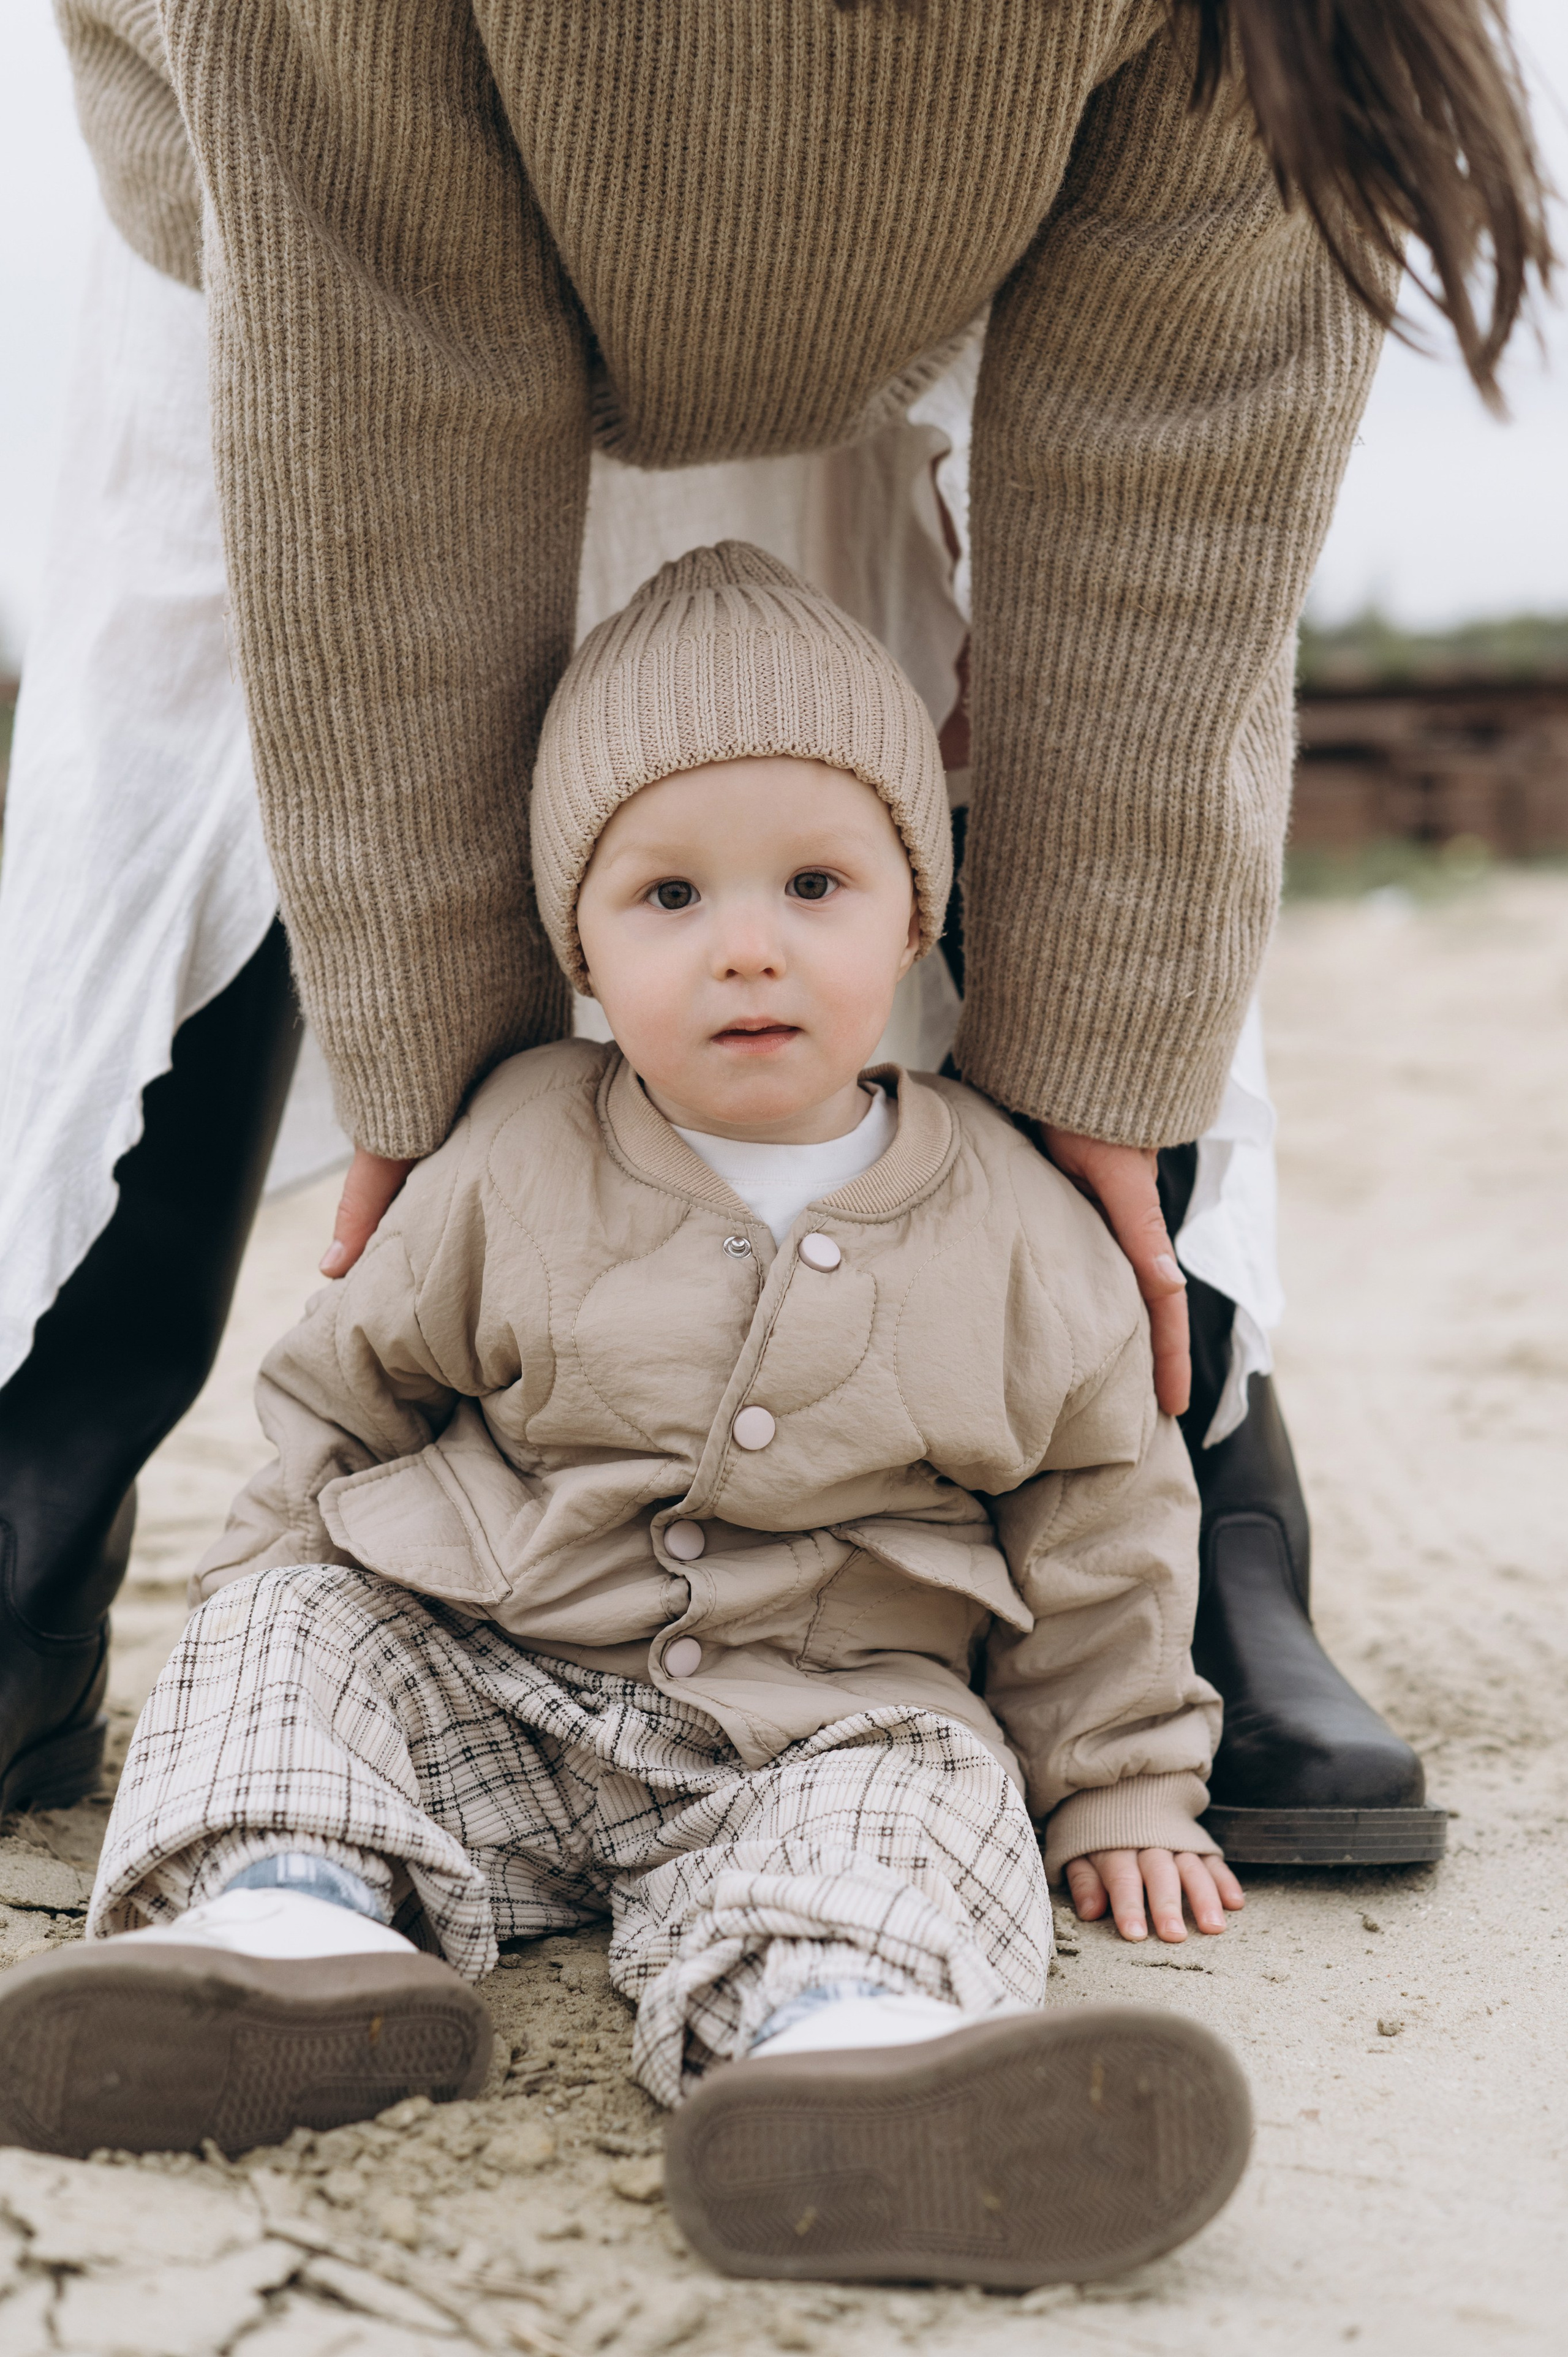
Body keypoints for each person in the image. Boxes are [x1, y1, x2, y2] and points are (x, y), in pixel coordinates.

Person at [2, 0, 1547, 1858]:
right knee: (213, 696)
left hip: (969, 241)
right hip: (326, 217)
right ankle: (44, 1450)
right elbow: (388, 431)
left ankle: (1195, 1492)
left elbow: (1173, 512)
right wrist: (458, 1104)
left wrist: (1095, 1080)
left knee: (1057, 791)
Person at [0, 549, 1254, 2285]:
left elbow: (1106, 1519)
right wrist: (263, 1633)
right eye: (668, 898)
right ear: (577, 943)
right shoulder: (515, 1145)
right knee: (285, 1624)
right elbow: (338, 1406)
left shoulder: (1021, 1224)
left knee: (931, 1794)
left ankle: (840, 2044)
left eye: (814, 883)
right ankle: (286, 1926)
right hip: (486, 1683)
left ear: (914, 913)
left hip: (811, 1725)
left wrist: (1121, 1786)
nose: (746, 945)